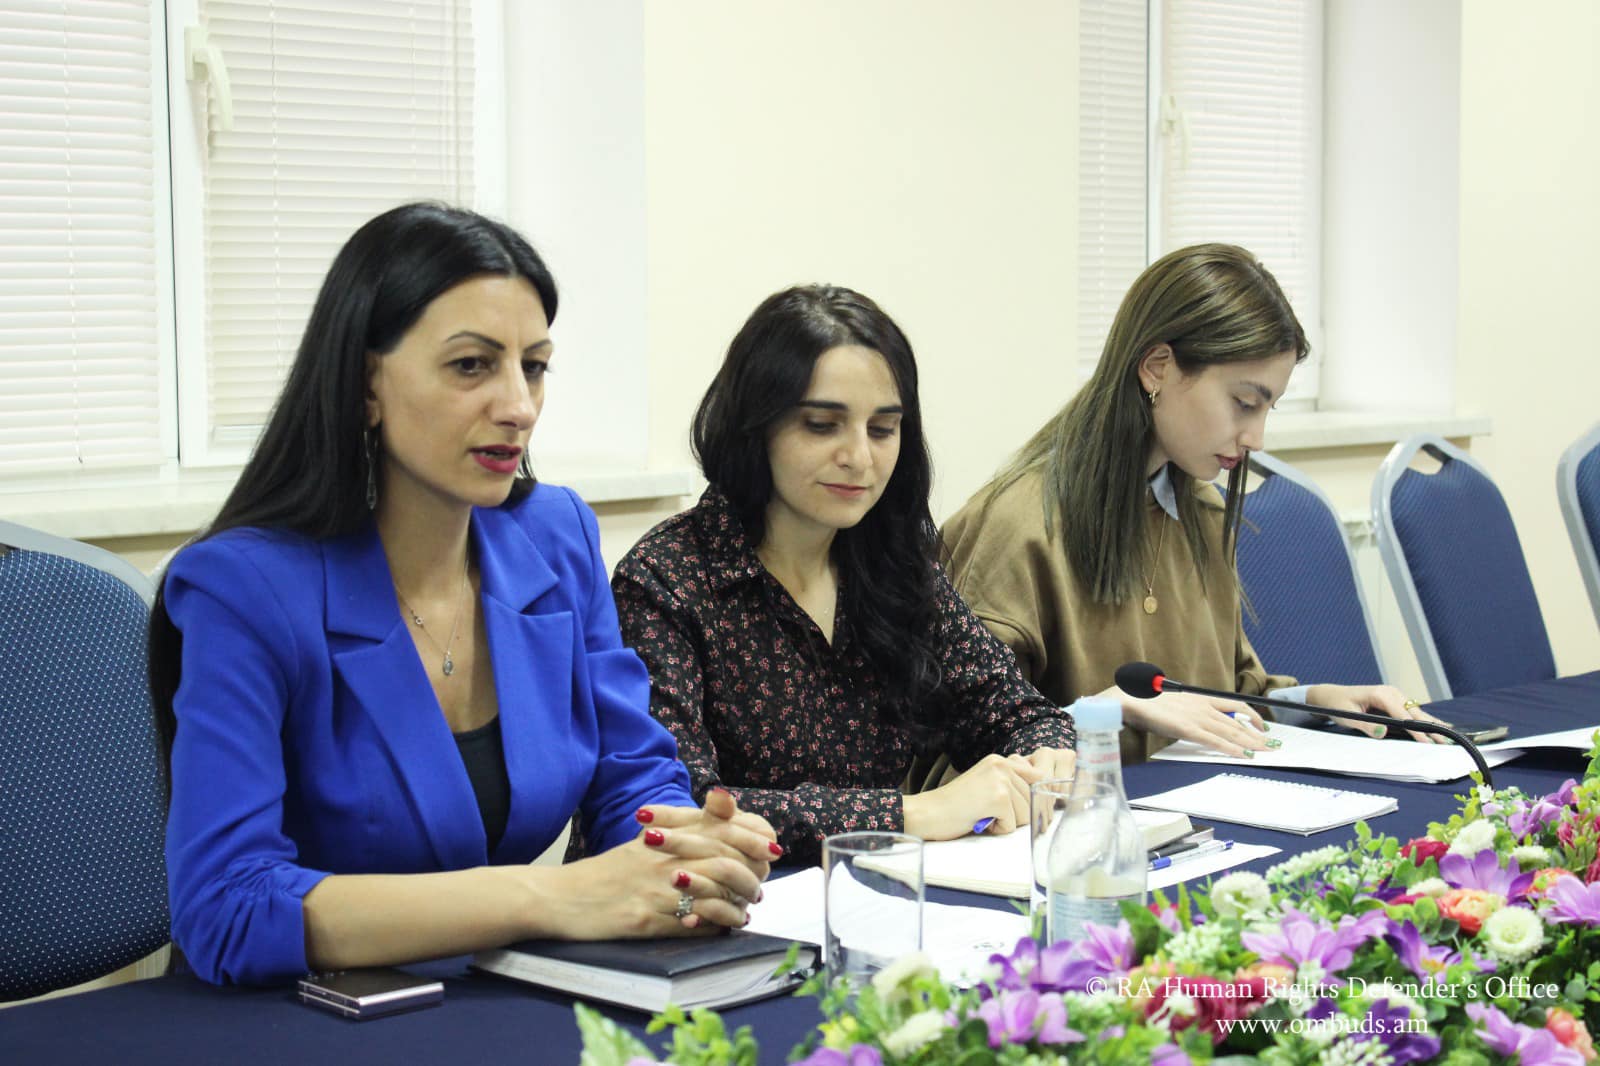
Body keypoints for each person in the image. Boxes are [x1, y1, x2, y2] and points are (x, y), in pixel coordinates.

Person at [148, 203, 776, 986]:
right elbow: (226, 908)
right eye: (472, 365)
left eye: (534, 366)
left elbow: (632, 782)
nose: (518, 406)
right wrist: (552, 897)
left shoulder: (555, 535)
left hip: (489, 997)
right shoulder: (243, 587)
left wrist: (687, 855)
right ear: (366, 384)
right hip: (295, 1016)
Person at [611, 285, 1077, 864]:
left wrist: (1043, 759)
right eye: (822, 425)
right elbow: (679, 809)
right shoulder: (665, 580)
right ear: (754, 427)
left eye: (882, 430)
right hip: (697, 904)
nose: (859, 457)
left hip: (863, 892)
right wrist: (908, 815)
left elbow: (1019, 711)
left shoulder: (893, 562)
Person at [942, 243, 1444, 765]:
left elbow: (1231, 697)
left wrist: (1318, 702)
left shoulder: (1200, 511)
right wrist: (1105, 712)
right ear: (1156, 368)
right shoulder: (1018, 526)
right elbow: (951, 766)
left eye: (1267, 408)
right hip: (1086, 814)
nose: (1256, 438)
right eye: (1243, 403)